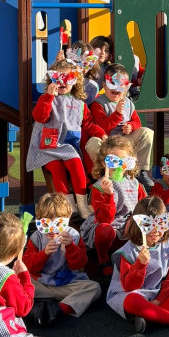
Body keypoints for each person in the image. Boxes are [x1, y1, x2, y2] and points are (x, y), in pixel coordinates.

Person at [26, 42, 107, 218]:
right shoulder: (47, 98)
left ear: (75, 81)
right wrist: (48, 95)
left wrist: (100, 133)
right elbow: (39, 116)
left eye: (67, 79)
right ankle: (67, 207)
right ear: (51, 80)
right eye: (58, 78)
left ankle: (82, 204)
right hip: (47, 146)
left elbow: (88, 124)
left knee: (76, 166)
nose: (62, 82)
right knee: (56, 169)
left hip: (68, 146)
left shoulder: (79, 104)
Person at [106, 196, 169, 333]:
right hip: (133, 294)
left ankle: (148, 318)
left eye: (160, 224)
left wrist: (157, 301)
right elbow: (130, 287)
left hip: (157, 293)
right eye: (148, 225)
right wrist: (140, 264)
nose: (155, 231)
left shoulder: (167, 244)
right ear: (138, 224)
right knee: (132, 301)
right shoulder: (128, 252)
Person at [22, 191, 101, 326]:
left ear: (67, 220)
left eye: (58, 224)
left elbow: (79, 264)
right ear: (40, 220)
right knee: (17, 280)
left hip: (67, 284)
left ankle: (58, 309)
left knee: (94, 288)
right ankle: (31, 308)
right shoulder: (37, 237)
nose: (52, 229)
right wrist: (44, 254)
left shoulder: (74, 236)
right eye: (46, 224)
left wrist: (70, 246)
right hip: (41, 284)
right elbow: (29, 266)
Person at [80, 135, 148, 276]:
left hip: (130, 228)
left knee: (146, 223)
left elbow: (144, 208)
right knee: (105, 229)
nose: (119, 166)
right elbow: (105, 219)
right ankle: (103, 260)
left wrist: (133, 221)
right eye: (114, 161)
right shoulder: (99, 187)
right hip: (108, 229)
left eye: (124, 161)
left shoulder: (135, 184)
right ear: (105, 164)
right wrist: (109, 195)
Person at [85, 63, 155, 190]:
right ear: (104, 85)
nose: (116, 89)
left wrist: (131, 126)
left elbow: (137, 122)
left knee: (147, 132)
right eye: (112, 84)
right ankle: (101, 174)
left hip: (125, 142)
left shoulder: (127, 103)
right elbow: (102, 126)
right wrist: (117, 113)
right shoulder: (99, 104)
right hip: (107, 142)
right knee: (93, 143)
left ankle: (139, 171)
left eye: (120, 85)